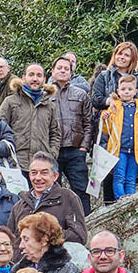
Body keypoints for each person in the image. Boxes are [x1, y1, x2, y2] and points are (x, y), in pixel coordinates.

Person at [48, 56, 96, 214]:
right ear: (52, 71)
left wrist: (84, 146)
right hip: (52, 150)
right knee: (53, 190)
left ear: (71, 73)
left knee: (81, 188)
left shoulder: (81, 94)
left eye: (66, 68)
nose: (62, 71)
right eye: (59, 68)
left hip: (75, 150)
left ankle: (87, 222)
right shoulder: (44, 94)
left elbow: (89, 122)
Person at [96, 75, 138, 199]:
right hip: (119, 150)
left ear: (135, 91)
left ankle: (130, 201)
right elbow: (106, 130)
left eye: (130, 89)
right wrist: (105, 117)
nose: (127, 92)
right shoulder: (115, 107)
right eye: (123, 89)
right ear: (118, 91)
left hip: (135, 150)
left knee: (130, 179)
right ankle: (121, 201)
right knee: (119, 177)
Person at [0, 64, 62, 173]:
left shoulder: (50, 105)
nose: (35, 79)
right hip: (17, 164)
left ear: (44, 79)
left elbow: (55, 133)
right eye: (31, 75)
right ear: (23, 77)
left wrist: (52, 154)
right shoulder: (10, 102)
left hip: (42, 166)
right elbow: (0, 130)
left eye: (39, 75)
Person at [9, 153, 86, 244]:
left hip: (53, 257)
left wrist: (45, 234)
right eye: (34, 173)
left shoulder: (68, 198)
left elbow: (79, 236)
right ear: (29, 176)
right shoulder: (20, 205)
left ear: (55, 176)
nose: (37, 178)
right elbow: (10, 239)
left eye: (44, 173)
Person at [89, 42, 137, 110]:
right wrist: (109, 101)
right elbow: (95, 100)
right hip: (109, 118)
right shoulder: (104, 76)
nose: (122, 57)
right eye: (119, 54)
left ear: (132, 59)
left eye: (126, 55)